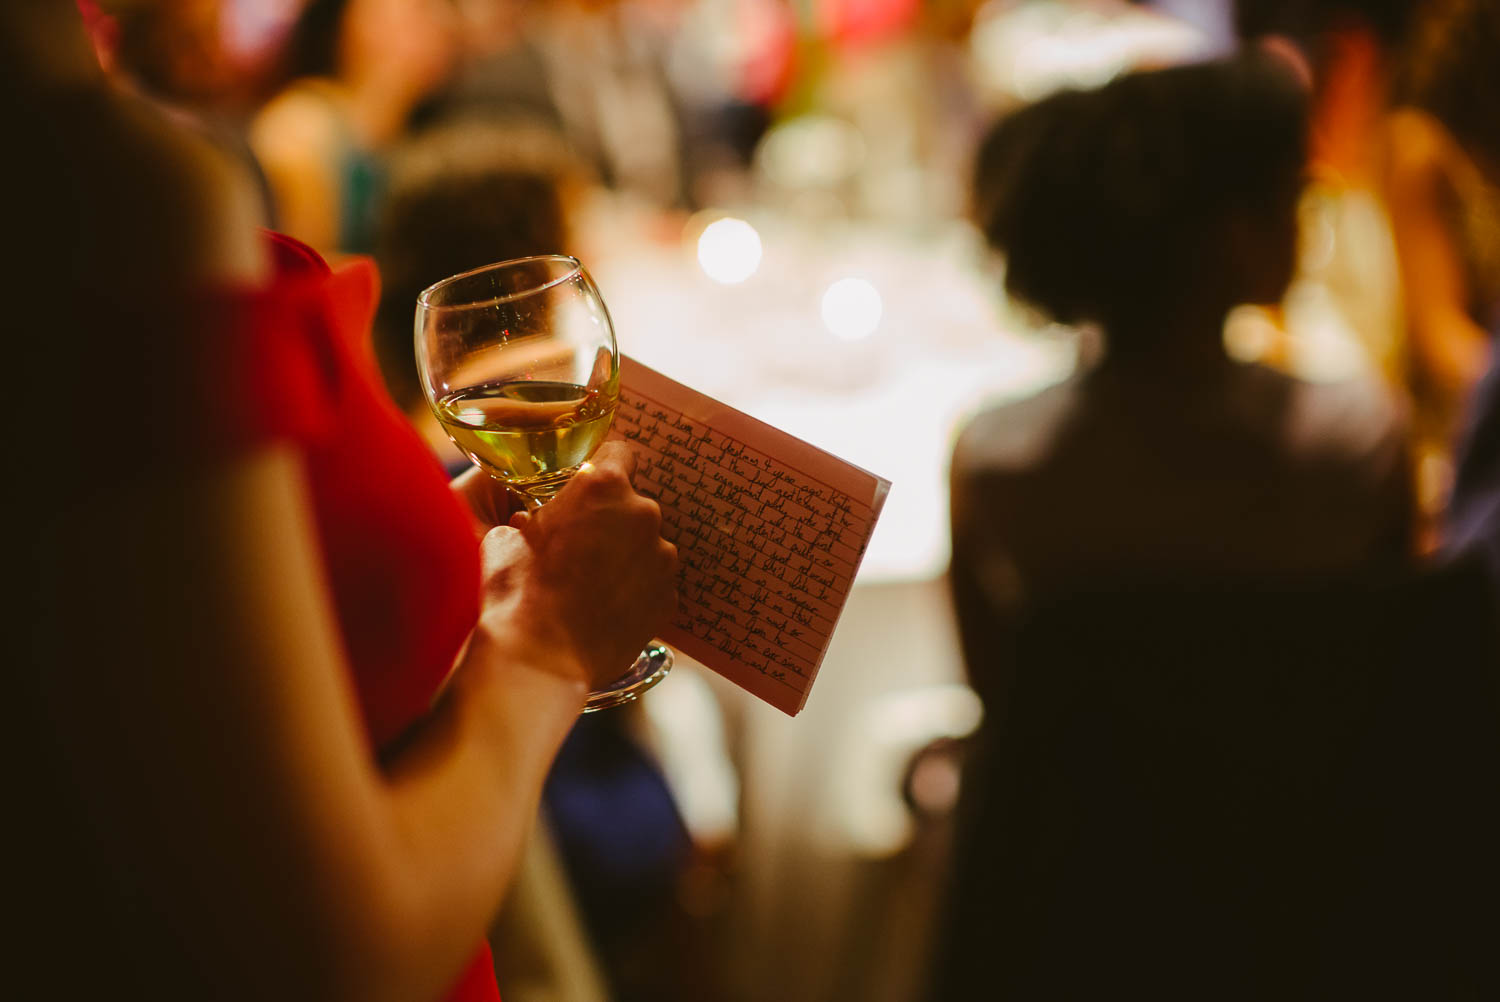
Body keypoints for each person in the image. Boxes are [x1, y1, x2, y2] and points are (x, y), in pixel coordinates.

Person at [13, 4, 677, 1001]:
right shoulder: (107, 196)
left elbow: (153, 647)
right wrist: (549, 646)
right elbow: (335, 954)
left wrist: (434, 552)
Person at [951, 51, 1413, 710]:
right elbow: (1394, 675)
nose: (1302, 218)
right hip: (1312, 808)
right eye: (1288, 196)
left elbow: (999, 709)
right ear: (1231, 236)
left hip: (1086, 811)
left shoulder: (998, 466)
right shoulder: (1358, 443)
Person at [249, 0, 460, 254]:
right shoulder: (301, 127)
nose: (443, 21)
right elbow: (312, 273)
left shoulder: (412, 129)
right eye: (420, 8)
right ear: (355, 23)